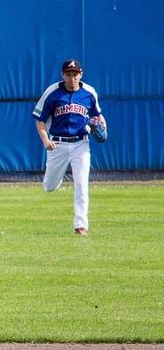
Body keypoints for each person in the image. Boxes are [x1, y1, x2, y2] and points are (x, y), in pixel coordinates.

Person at [33, 59, 106, 235]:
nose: (72, 77)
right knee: (49, 186)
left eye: (75, 74)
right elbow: (40, 120)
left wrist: (103, 128)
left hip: (81, 143)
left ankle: (80, 226)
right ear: (62, 75)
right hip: (57, 144)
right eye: (68, 74)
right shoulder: (52, 93)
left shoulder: (89, 93)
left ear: (81, 74)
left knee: (81, 185)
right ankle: (56, 180)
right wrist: (45, 141)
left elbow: (98, 116)